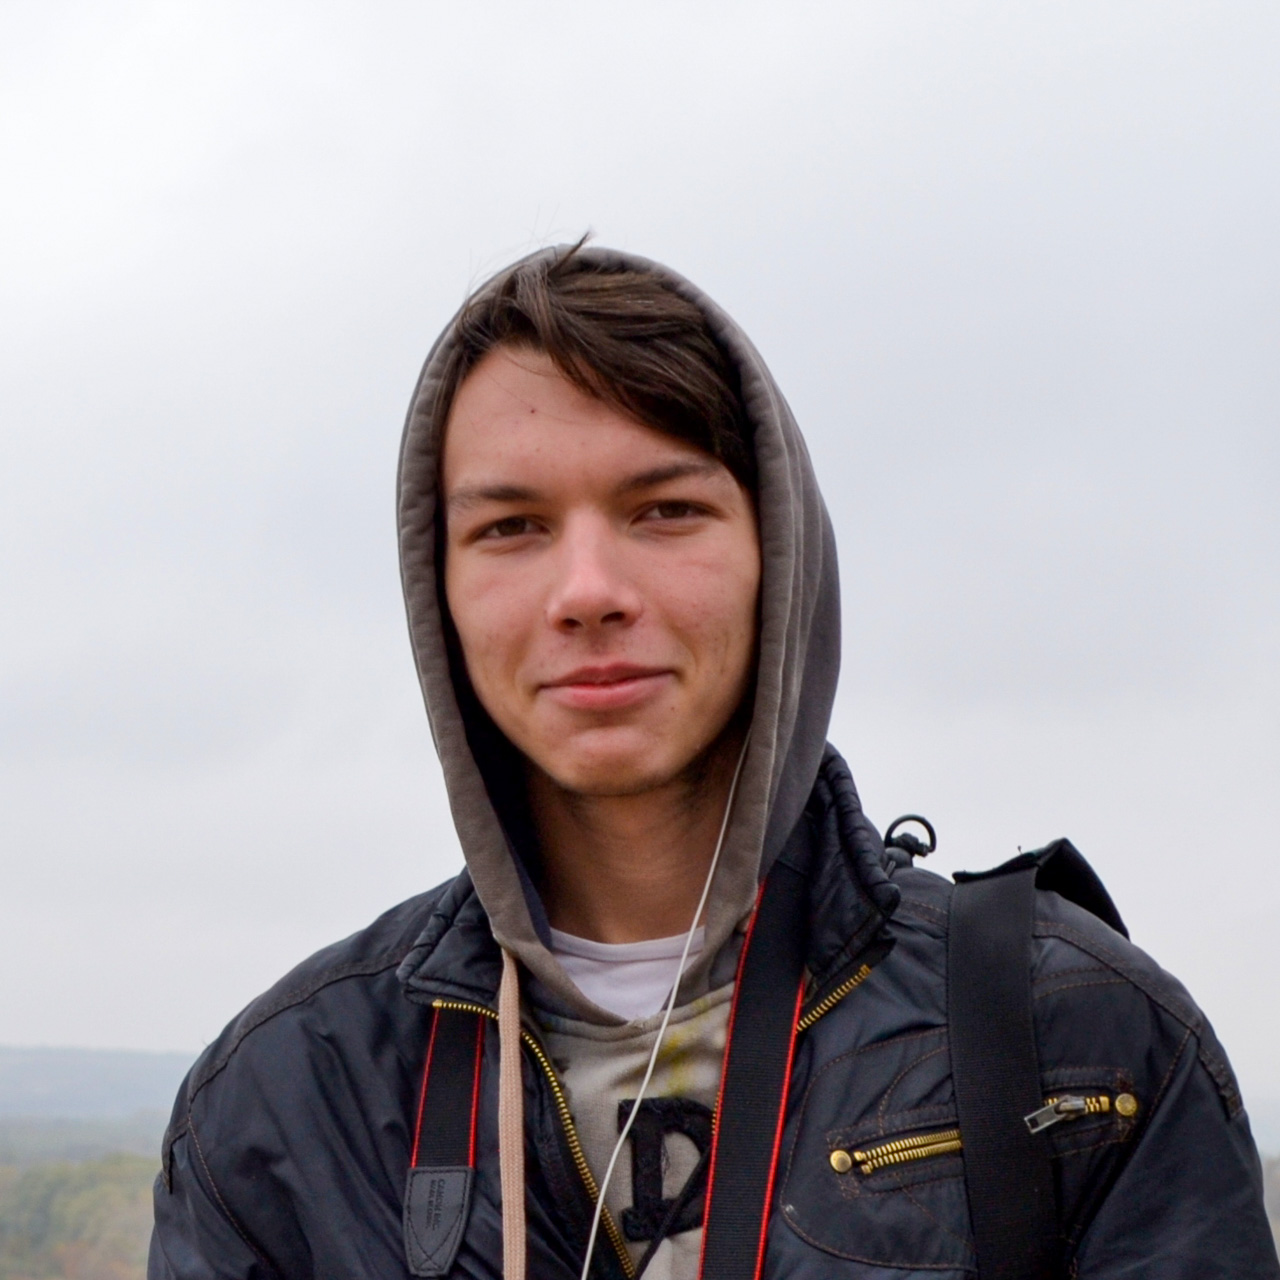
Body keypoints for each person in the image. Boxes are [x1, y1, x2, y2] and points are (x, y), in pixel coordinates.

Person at [149, 243, 1279, 1280]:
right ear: (435, 589)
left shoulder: (1071, 1044)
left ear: (779, 557)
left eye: (665, 509)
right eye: (511, 527)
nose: (588, 590)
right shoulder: (284, 1106)